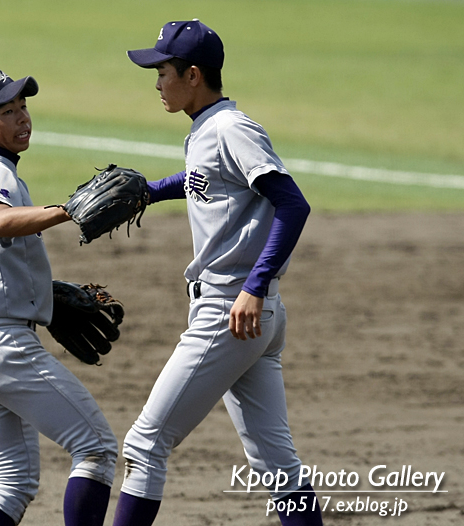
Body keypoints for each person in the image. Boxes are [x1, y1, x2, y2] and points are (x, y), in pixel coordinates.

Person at [111, 20, 323, 526]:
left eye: (162, 72)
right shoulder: (208, 127)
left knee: (144, 445)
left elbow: (293, 205)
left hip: (232, 309)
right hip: (249, 313)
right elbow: (205, 178)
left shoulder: (232, 129)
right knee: (277, 467)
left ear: (192, 75)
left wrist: (253, 285)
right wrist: (151, 192)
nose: (156, 82)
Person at [0, 67, 117, 526]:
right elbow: (0, 222)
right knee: (97, 450)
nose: (22, 118)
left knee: (12, 483)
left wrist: (34, 291)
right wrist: (65, 210)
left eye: (23, 107)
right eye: (6, 111)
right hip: (3, 347)